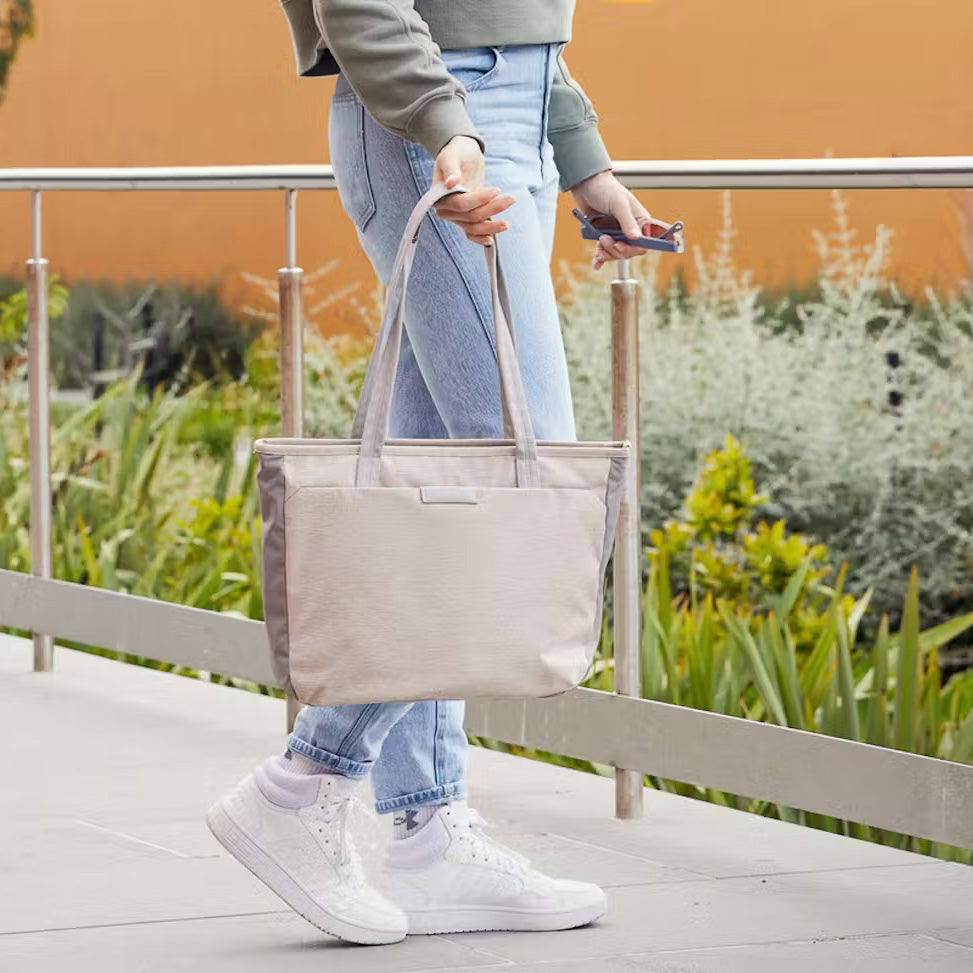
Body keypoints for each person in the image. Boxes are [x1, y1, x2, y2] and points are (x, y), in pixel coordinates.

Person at [207, 0, 657, 946]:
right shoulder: (435, 114)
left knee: (434, 481)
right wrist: (445, 122)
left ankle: (428, 830)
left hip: (507, 119)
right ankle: (306, 780)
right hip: (433, 124)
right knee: (511, 477)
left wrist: (580, 155)